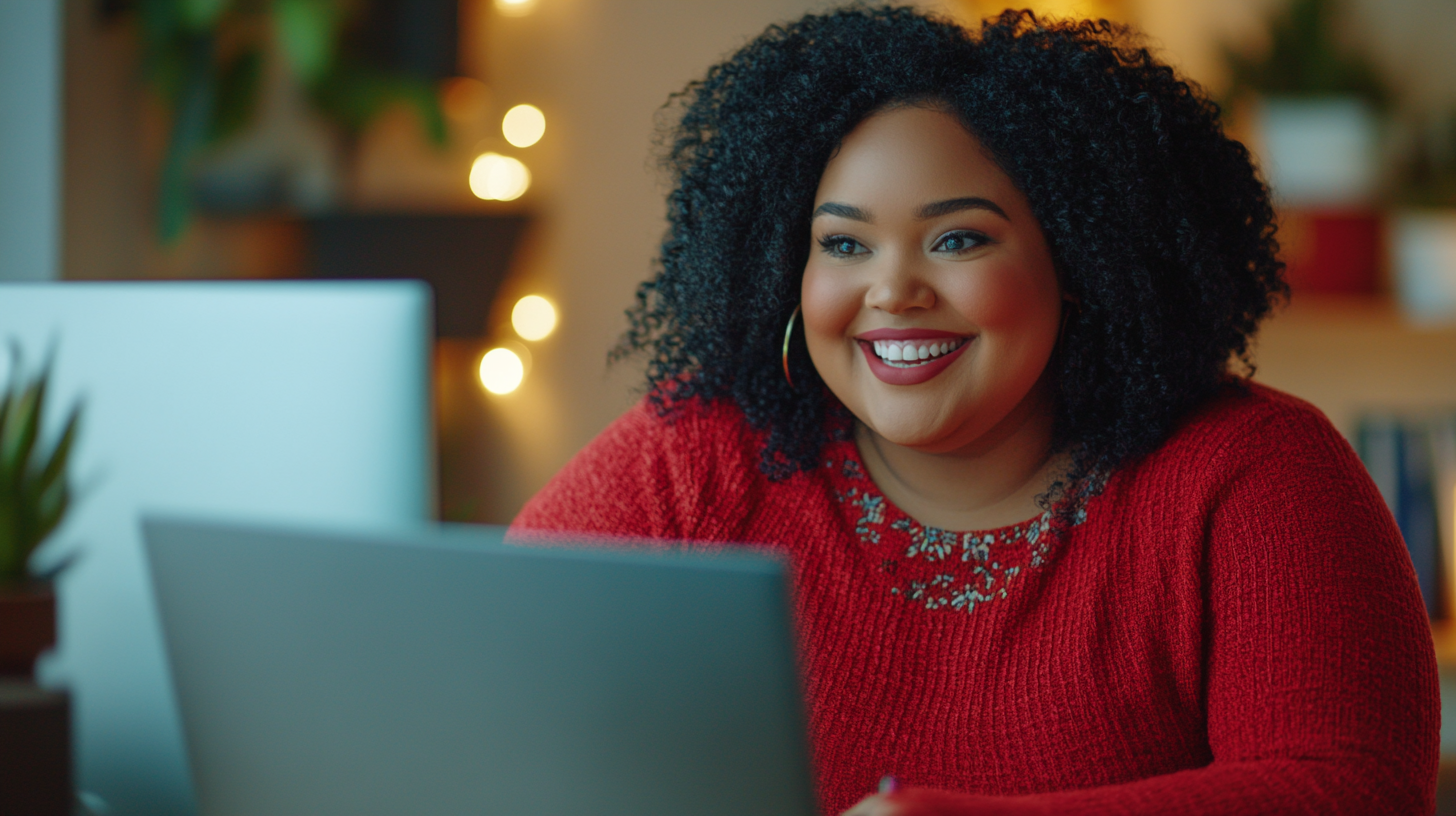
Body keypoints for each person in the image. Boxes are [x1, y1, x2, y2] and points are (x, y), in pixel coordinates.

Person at [510, 6, 1439, 814]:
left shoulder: (1254, 473)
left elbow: (1349, 789)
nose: (892, 290)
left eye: (957, 238)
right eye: (844, 244)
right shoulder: (698, 460)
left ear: (1079, 263)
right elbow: (480, 682)